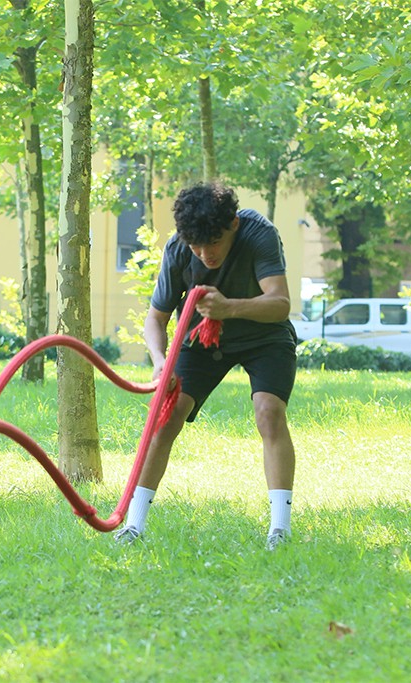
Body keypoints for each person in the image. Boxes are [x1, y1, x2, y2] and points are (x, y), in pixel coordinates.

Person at [116, 181, 298, 550]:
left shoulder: (258, 233)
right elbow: (155, 319)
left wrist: (229, 307)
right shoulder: (178, 248)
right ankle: (133, 526)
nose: (203, 254)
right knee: (165, 417)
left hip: (264, 336)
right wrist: (160, 363)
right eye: (195, 246)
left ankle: (280, 529)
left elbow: (280, 303)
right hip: (200, 338)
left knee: (269, 412)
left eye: (212, 243)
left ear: (233, 225)